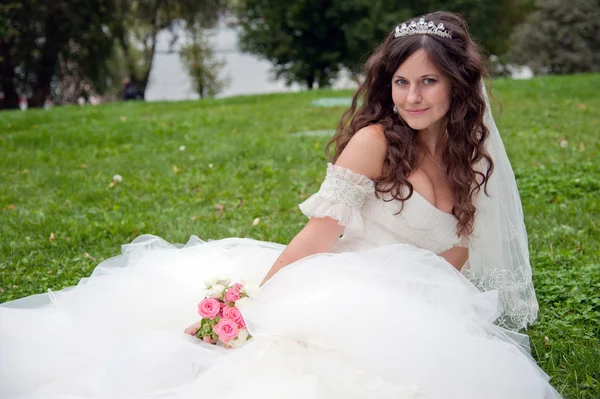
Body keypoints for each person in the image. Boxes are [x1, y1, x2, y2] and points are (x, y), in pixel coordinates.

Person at [0, 12, 561, 399]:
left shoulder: (471, 163)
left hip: (409, 305)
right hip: (339, 286)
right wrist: (257, 305)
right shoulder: (376, 144)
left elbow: (457, 258)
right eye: (400, 82)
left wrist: (432, 319)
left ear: (458, 86)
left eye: (428, 82)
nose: (411, 97)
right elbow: (319, 235)